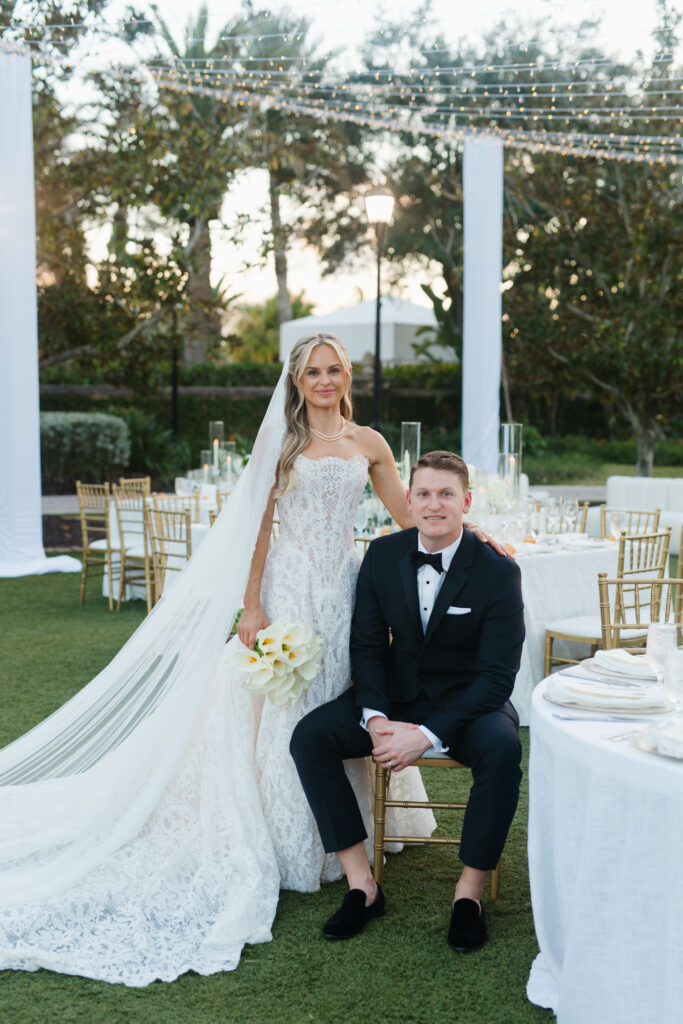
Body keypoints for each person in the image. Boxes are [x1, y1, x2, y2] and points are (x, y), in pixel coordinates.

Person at [0, 333, 440, 986]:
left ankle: (351, 840)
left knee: (342, 698)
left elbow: (407, 514)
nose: (324, 380)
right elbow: (258, 528)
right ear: (296, 381)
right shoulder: (281, 445)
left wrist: (461, 533)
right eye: (312, 372)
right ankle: (293, 840)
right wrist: (252, 605)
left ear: (347, 376)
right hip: (288, 587)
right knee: (286, 707)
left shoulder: (369, 443)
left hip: (346, 587)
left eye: (334, 370)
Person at [291, 449, 525, 952]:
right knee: (310, 738)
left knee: (503, 751)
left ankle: (468, 896)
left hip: (470, 705)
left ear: (466, 501)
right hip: (396, 698)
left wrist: (426, 735)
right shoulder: (383, 554)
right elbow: (369, 647)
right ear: (409, 499)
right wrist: (376, 719)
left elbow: (497, 678)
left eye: (446, 494)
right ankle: (363, 886)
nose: (433, 504)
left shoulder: (498, 571)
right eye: (423, 493)